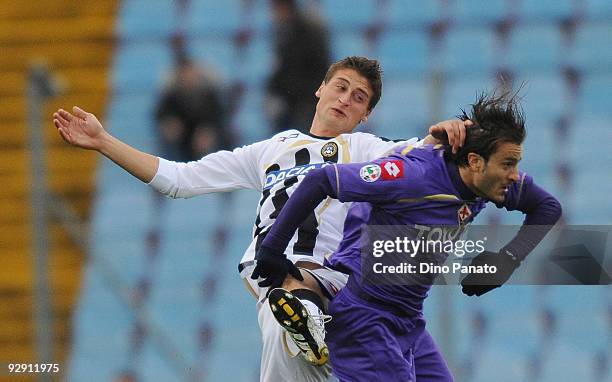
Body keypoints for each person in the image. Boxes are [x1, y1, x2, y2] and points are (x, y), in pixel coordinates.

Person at [53, 56, 469, 382]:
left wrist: (452, 130)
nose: (345, 99)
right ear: (320, 89)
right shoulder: (270, 150)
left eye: (359, 97)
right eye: (341, 87)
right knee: (283, 318)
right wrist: (104, 141)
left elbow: (423, 155)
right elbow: (178, 179)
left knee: (295, 321)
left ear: (366, 115)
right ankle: (304, 319)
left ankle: (308, 315)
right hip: (277, 286)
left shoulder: (364, 147)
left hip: (336, 287)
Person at [253, 91, 562, 381]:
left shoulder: (487, 183)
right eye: (508, 163)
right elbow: (321, 179)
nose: (515, 175)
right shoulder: (410, 175)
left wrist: (505, 262)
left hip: (409, 321)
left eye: (516, 163)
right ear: (474, 162)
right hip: (364, 320)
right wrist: (272, 248)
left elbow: (547, 207)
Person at [265, 0, 331, 133]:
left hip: (306, 103)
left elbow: (317, 69)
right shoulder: (282, 30)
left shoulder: (308, 32)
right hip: (290, 103)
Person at [155, 54, 231, 162]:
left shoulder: (209, 94)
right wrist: (169, 124)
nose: (188, 77)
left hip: (207, 137)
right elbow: (161, 115)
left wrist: (209, 131)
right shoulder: (171, 95)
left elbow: (219, 116)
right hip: (182, 141)